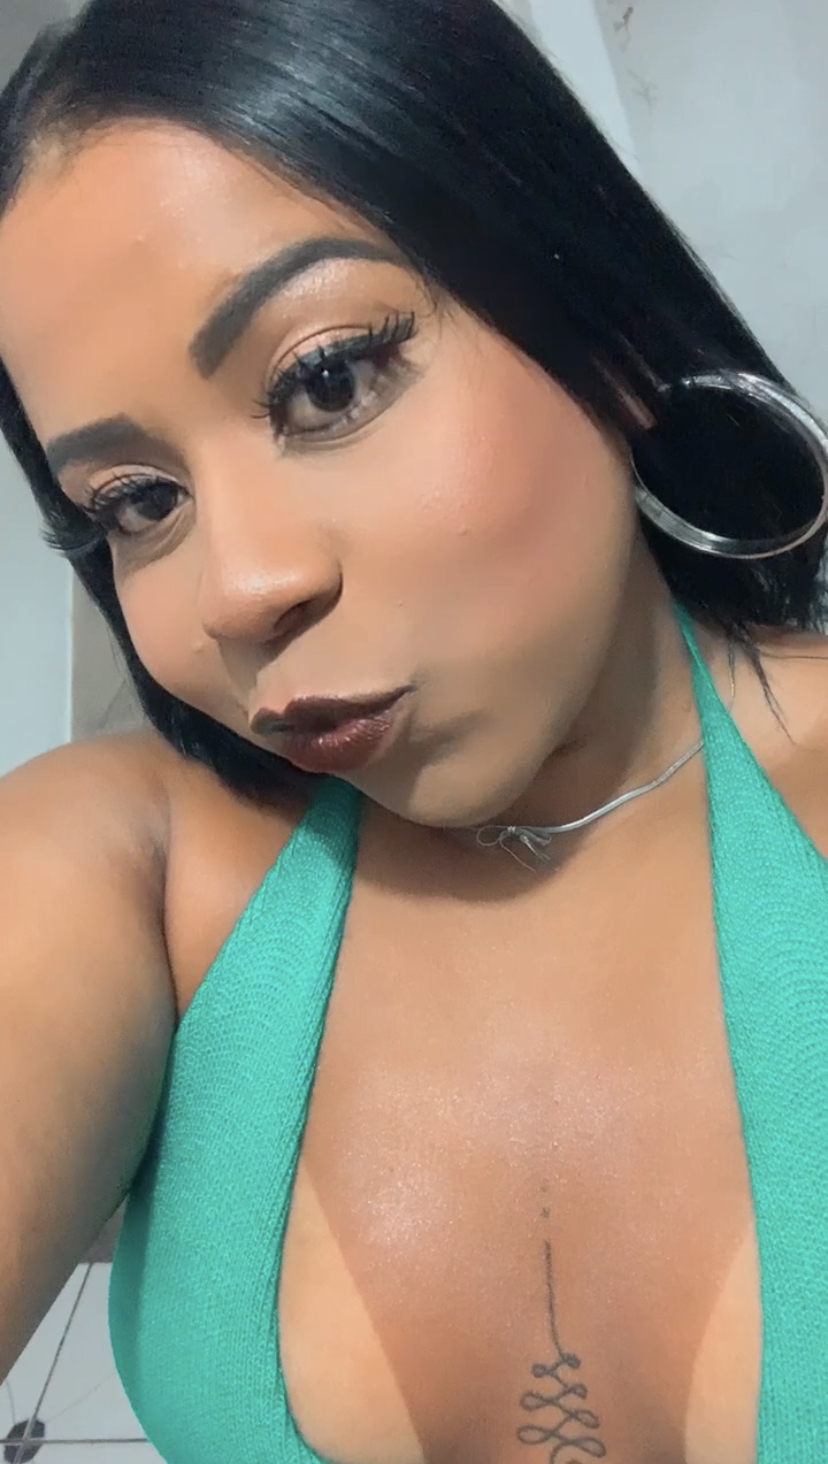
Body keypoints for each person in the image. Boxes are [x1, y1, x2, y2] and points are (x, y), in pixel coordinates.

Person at [0, 0, 825, 1460]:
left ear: (611, 334)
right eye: (136, 503)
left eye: (327, 379)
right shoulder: (126, 872)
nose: (239, 590)